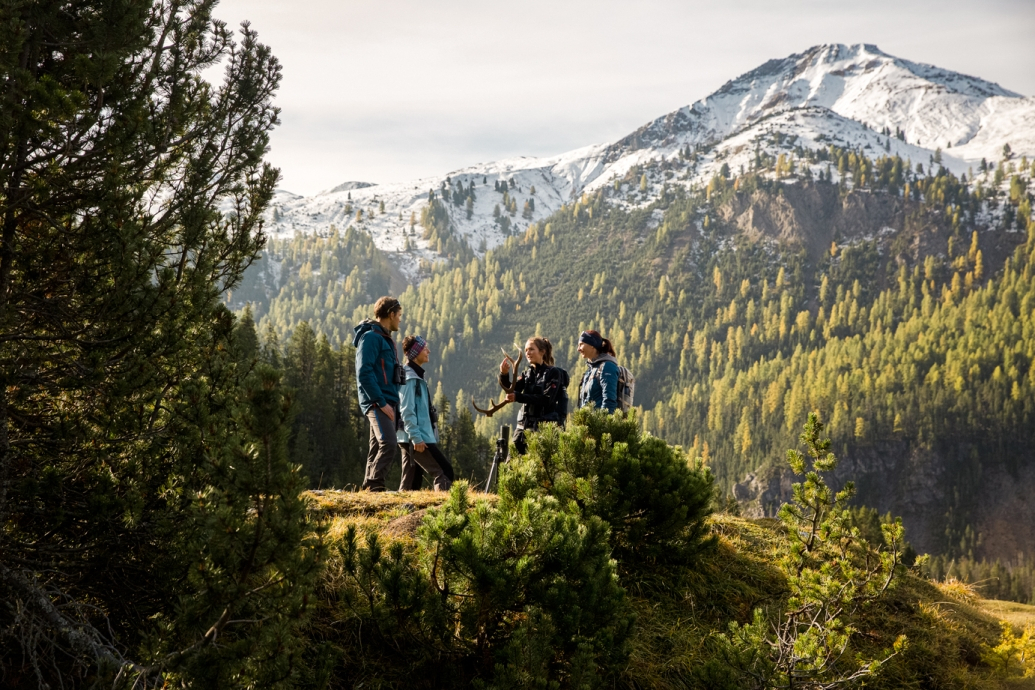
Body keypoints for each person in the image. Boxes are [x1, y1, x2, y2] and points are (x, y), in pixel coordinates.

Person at [353, 296, 403, 491]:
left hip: (385, 400)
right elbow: (364, 373)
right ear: (390, 314)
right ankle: (375, 485)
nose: (400, 319)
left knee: (376, 448)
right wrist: (381, 402)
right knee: (389, 444)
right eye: (399, 315)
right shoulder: (371, 338)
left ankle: (368, 489)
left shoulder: (384, 338)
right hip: (376, 401)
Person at [398, 335, 454, 491]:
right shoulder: (410, 378)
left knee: (411, 481)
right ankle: (441, 512)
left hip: (408, 436)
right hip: (416, 437)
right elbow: (406, 410)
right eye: (425, 348)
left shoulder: (414, 376)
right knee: (444, 472)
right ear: (415, 353)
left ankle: (404, 512)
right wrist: (416, 437)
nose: (428, 351)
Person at [498, 336, 570, 454]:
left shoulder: (553, 373)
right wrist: (504, 375)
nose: (527, 353)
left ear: (542, 352)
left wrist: (519, 397)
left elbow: (547, 399)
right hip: (524, 431)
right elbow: (512, 389)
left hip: (543, 432)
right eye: (526, 350)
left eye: (531, 349)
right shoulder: (527, 374)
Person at [577, 330, 619, 413]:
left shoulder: (607, 367)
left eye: (581, 344)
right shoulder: (591, 369)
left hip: (600, 424)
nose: (578, 349)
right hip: (588, 424)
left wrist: (603, 423)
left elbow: (609, 401)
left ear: (592, 345)